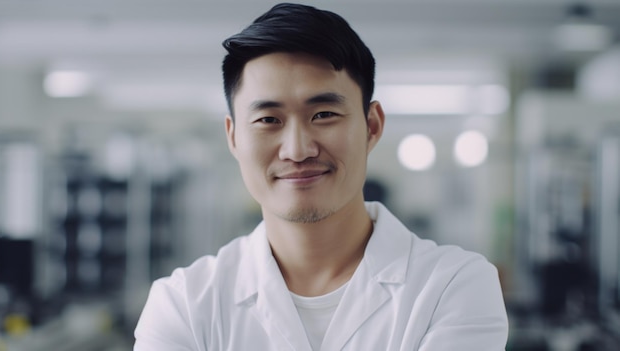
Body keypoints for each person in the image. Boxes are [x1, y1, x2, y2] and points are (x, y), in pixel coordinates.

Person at [134, 3, 509, 350]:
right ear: (233, 137)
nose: (297, 150)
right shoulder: (183, 303)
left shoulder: (453, 286)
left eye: (324, 115)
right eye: (268, 120)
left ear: (372, 125)